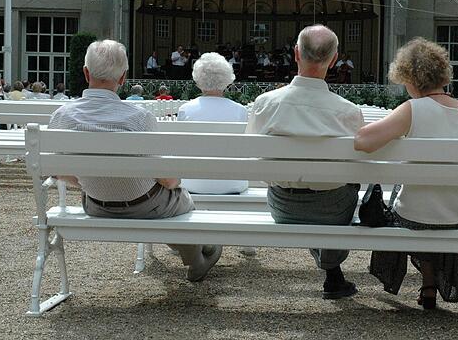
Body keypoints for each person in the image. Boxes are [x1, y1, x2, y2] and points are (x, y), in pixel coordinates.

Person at [48, 39, 221, 282]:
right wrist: (175, 182)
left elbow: (55, 170)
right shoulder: (139, 118)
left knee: (169, 198)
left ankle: (198, 248)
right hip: (146, 206)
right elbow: (168, 180)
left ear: (86, 72)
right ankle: (196, 260)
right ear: (122, 78)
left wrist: (89, 180)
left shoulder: (62, 116)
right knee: (178, 198)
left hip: (97, 205)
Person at [354, 37, 458, 310]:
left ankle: (426, 282)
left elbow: (363, 141)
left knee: (404, 204)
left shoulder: (412, 109)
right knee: (429, 198)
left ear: (410, 78)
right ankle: (429, 285)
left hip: (416, 218)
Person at [246, 24, 365, 300]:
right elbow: (358, 162)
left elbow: (252, 154)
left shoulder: (265, 103)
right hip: (333, 210)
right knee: (347, 184)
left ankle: (333, 273)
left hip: (282, 206)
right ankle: (332, 269)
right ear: (334, 60)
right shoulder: (348, 111)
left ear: (296, 54)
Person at [178, 52, 248, 194]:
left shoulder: (185, 110)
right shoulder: (240, 111)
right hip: (232, 183)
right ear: (228, 80)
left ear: (198, 81)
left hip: (192, 183)